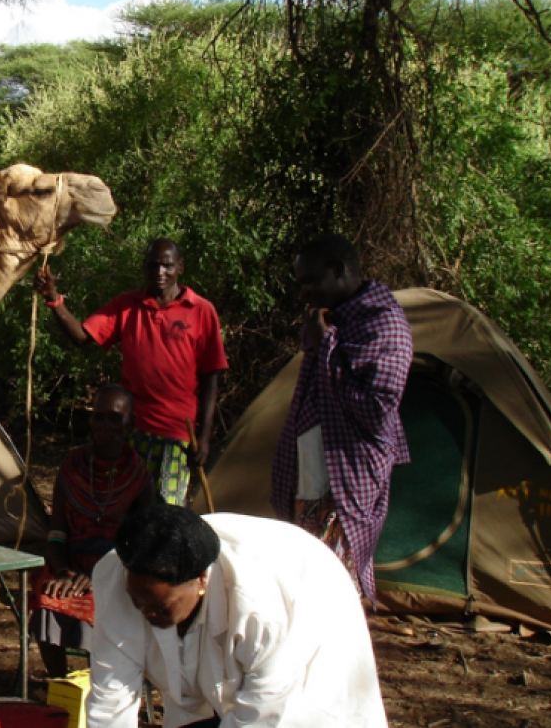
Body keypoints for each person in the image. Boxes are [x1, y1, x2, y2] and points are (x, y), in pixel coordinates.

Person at [86, 504, 388, 728]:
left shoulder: (257, 605)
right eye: (138, 601)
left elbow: (264, 708)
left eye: (159, 607)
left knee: (303, 715)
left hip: (310, 598)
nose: (144, 612)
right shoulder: (116, 580)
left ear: (201, 581)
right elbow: (110, 696)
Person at [34, 239, 227, 506]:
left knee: (165, 513)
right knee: (124, 506)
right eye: (153, 265)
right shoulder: (127, 306)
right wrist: (53, 299)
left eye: (167, 265)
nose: (160, 271)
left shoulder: (201, 311)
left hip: (177, 433)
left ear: (180, 267)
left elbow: (211, 376)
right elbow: (81, 336)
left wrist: (204, 437)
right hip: (131, 429)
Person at [271, 234, 412, 600]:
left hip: (346, 469)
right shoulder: (328, 319)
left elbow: (377, 410)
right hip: (312, 466)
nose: (304, 292)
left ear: (340, 271)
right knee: (304, 559)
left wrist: (327, 345)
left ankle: (335, 638)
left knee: (334, 567)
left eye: (311, 281)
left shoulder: (384, 324)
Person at [34, 384, 156, 679]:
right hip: (71, 566)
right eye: (99, 417)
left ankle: (102, 685)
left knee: (99, 602)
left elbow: (143, 545)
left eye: (114, 418)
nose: (105, 426)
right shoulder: (71, 468)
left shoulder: (139, 477)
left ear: (131, 424)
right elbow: (57, 535)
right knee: (46, 593)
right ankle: (60, 685)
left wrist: (101, 576)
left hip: (119, 570)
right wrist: (63, 571)